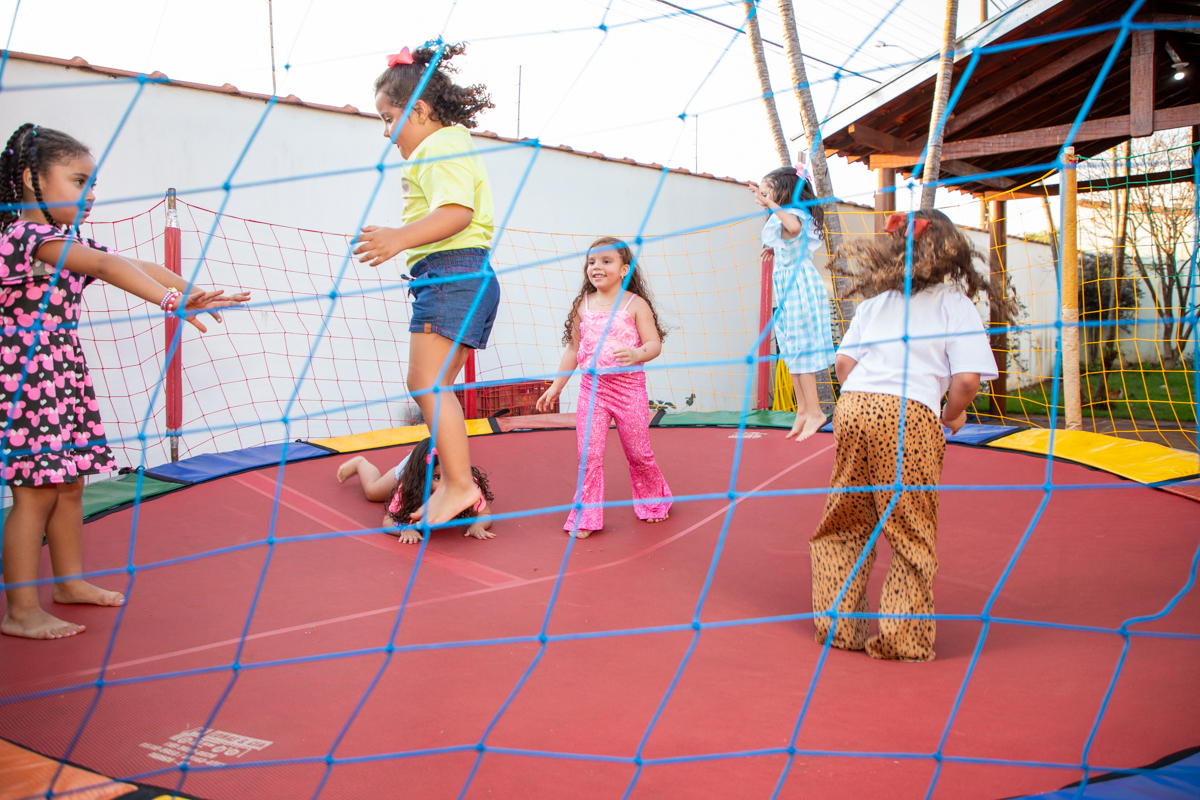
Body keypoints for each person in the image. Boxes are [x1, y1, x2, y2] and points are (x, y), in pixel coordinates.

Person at [0, 124, 248, 639]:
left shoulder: (65, 240)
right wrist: (171, 301)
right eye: (78, 182)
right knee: (34, 493)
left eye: (93, 184)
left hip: (58, 373)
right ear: (30, 179)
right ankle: (21, 610)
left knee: (70, 485)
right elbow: (106, 265)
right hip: (26, 379)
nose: (90, 195)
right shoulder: (23, 237)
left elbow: (139, 264)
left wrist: (194, 291)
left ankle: (69, 582)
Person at [809, 209, 1007, 662]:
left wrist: (865, 396)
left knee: (845, 519)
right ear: (951, 254)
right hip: (906, 414)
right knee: (909, 525)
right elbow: (967, 380)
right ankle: (903, 638)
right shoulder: (953, 303)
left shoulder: (876, 303)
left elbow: (844, 365)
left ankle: (838, 626)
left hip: (853, 406)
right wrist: (951, 414)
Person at [353, 43, 498, 528]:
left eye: (389, 118)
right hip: (466, 276)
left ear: (418, 110)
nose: (387, 132)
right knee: (439, 391)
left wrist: (398, 238)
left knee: (425, 385)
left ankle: (459, 484)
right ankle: (440, 475)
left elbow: (457, 213)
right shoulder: (453, 144)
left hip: (450, 275)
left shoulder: (438, 146)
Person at [535, 237, 671, 538]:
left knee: (638, 453)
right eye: (592, 262)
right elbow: (573, 349)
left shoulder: (635, 305)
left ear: (624, 269)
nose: (596, 267)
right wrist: (557, 386)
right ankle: (586, 517)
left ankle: (654, 501)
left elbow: (654, 343)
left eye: (606, 261)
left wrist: (636, 354)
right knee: (589, 456)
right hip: (592, 391)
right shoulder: (582, 306)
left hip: (629, 390)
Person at [748, 159, 836, 443]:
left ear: (782, 192)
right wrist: (776, 250)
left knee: (801, 350)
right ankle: (803, 410)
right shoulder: (783, 216)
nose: (762, 198)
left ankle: (816, 412)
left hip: (800, 287)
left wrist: (769, 204)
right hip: (787, 287)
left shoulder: (793, 213)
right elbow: (792, 239)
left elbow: (795, 229)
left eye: (766, 192)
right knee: (790, 351)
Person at [380, 438, 494, 544]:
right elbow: (388, 521)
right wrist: (405, 529)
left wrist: (478, 525)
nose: (445, 483)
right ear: (422, 479)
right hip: (403, 472)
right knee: (373, 492)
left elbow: (485, 514)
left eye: (450, 475)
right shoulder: (409, 488)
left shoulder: (467, 484)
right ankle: (367, 466)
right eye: (437, 478)